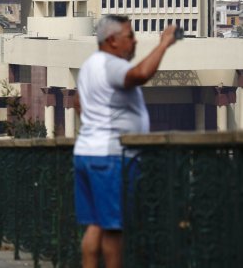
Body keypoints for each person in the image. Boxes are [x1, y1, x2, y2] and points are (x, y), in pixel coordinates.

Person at [74, 15, 178, 268]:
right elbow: (140, 74)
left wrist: (96, 123)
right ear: (112, 40)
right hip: (110, 156)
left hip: (87, 151)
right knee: (113, 229)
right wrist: (164, 43)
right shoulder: (111, 64)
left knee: (95, 225)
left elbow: (78, 103)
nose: (135, 41)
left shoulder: (90, 65)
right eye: (130, 36)